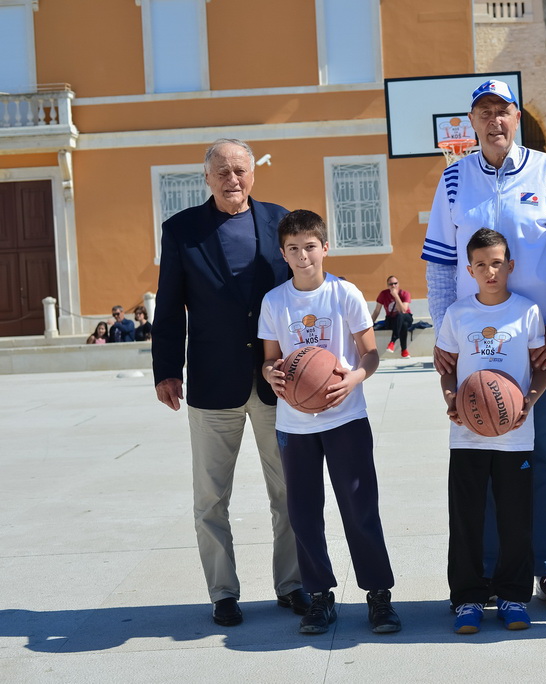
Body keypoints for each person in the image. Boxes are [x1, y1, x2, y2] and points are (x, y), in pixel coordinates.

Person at [422, 79, 546, 611]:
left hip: (540, 348)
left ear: (518, 118)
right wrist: (446, 335)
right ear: (471, 121)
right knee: (484, 461)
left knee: (545, 461)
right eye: (484, 112)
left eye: (504, 111)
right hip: (474, 353)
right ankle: (491, 575)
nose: (494, 121)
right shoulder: (452, 180)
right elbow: (442, 269)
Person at [151, 138, 307, 627]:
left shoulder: (280, 221)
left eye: (240, 169)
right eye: (222, 171)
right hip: (211, 384)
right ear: (207, 178)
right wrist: (166, 369)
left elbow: (301, 295)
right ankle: (223, 592)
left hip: (277, 383)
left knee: (289, 493)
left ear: (253, 174)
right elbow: (169, 303)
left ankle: (293, 585)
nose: (232, 179)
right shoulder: (182, 230)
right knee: (211, 498)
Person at [259, 209, 400, 635]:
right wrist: (269, 374)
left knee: (359, 509)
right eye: (293, 249)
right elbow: (269, 361)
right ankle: (319, 596)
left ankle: (378, 595)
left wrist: (353, 378)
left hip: (346, 418)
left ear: (324, 247)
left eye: (309, 247)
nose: (302, 256)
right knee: (303, 514)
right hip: (295, 424)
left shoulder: (346, 294)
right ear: (283, 254)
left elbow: (370, 354)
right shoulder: (274, 301)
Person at [437, 229, 546, 634]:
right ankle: (467, 599)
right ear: (469, 270)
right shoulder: (458, 314)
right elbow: (447, 369)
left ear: (510, 266)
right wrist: (453, 400)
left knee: (515, 520)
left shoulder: (526, 312)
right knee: (466, 519)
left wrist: (528, 402)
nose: (490, 271)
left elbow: (541, 368)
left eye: (497, 263)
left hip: (514, 435)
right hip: (466, 435)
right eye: (481, 265)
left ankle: (513, 596)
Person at [371, 275, 414, 358]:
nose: (393, 286)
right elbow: (377, 311)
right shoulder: (383, 294)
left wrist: (396, 296)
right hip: (392, 320)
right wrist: (370, 323)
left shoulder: (405, 294)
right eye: (391, 284)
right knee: (403, 324)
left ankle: (392, 342)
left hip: (406, 317)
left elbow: (403, 310)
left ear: (398, 284)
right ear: (388, 285)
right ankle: (404, 351)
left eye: (395, 283)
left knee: (401, 316)